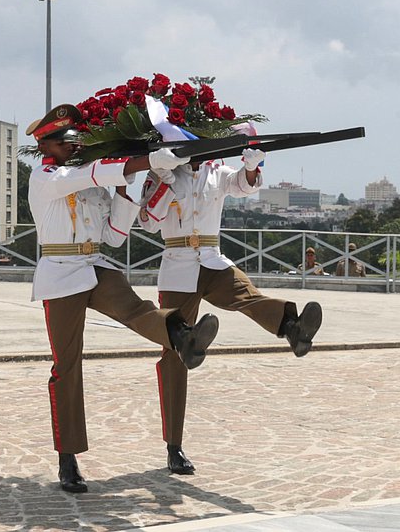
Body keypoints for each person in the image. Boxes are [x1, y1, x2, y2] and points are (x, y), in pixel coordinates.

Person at [26, 104, 220, 494]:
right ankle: (68, 456)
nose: (74, 145)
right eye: (66, 141)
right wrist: (144, 160)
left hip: (93, 263)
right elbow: (87, 173)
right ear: (46, 143)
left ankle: (182, 336)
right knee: (67, 365)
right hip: (59, 272)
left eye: (77, 140)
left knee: (134, 307)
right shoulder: (46, 175)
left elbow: (114, 236)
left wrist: (124, 190)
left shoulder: (88, 178)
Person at [138, 137, 323, 476]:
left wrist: (251, 168)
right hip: (178, 263)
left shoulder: (214, 171)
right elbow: (148, 222)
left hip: (212, 259)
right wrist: (162, 182)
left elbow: (241, 185)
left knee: (247, 294)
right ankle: (174, 446)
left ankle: (292, 328)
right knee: (174, 354)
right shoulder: (160, 175)